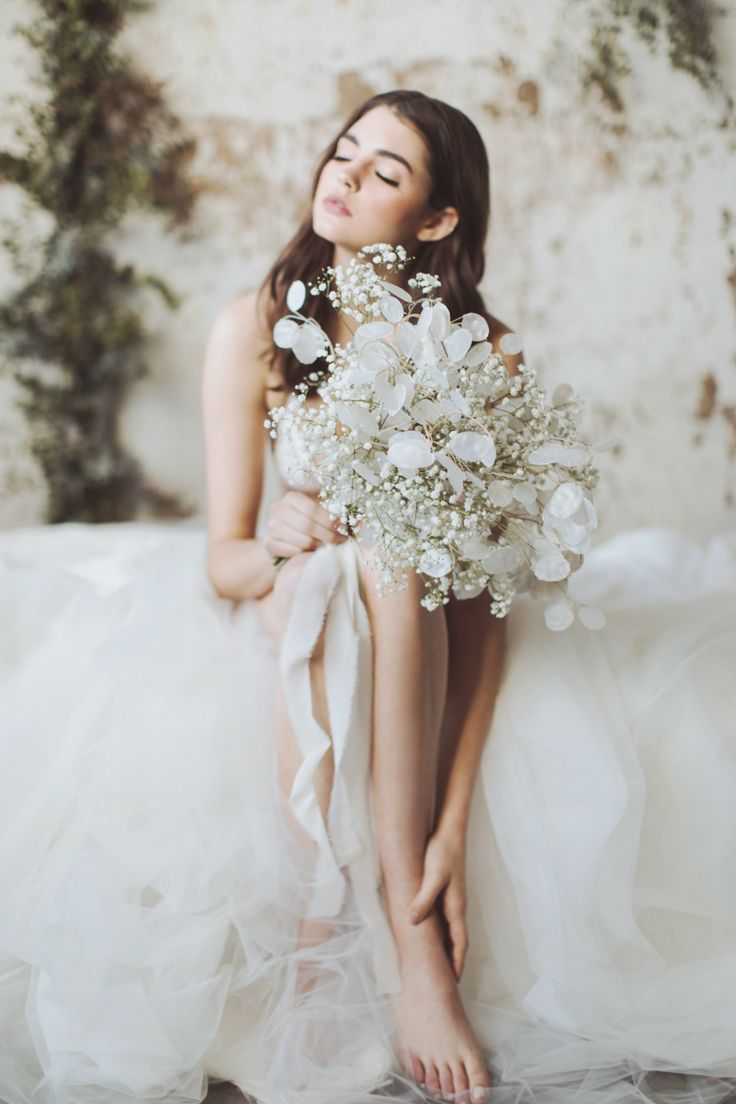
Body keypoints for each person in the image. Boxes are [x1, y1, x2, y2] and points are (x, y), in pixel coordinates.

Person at [0, 89, 735, 1104]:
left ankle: (399, 901)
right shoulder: (254, 327)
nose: (341, 178)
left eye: (383, 172)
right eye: (343, 153)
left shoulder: (482, 357)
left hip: (415, 624)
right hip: (282, 609)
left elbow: (478, 606)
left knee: (394, 558)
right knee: (354, 567)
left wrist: (450, 827)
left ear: (436, 220)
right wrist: (272, 542)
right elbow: (221, 561)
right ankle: (408, 932)